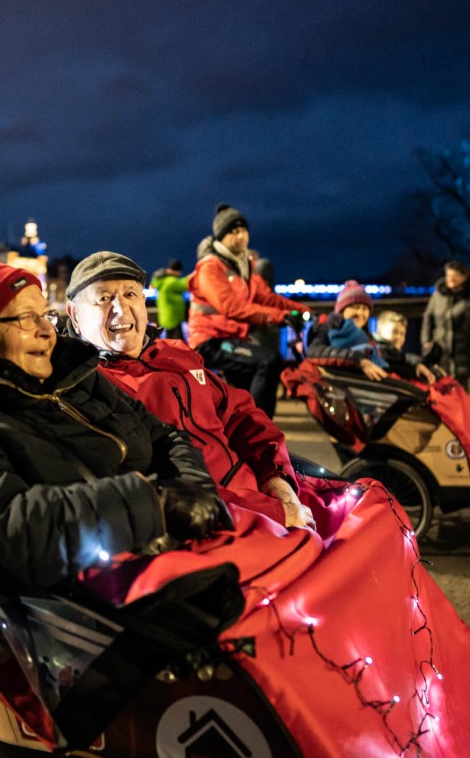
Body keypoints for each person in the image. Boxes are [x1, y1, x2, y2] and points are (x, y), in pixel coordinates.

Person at [0, 252, 231, 592]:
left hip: (178, 561)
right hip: (98, 610)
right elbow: (1, 533)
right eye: (28, 319)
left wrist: (195, 492)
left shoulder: (79, 379)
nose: (47, 331)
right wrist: (154, 505)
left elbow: (163, 437)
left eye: (46, 315)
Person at [64, 251, 316, 532]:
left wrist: (277, 479)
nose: (121, 309)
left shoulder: (175, 355)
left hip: (269, 497)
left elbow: (240, 414)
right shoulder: (87, 386)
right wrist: (270, 511)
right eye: (103, 298)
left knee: (369, 504)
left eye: (131, 294)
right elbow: (154, 484)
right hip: (216, 524)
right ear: (74, 315)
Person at [187, 203, 308, 417]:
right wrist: (279, 318)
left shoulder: (242, 266)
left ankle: (242, 428)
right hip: (210, 341)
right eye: (233, 231)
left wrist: (301, 310)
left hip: (232, 339)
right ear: (221, 237)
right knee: (269, 361)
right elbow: (231, 307)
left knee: (242, 393)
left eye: (243, 230)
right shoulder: (211, 267)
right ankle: (260, 426)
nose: (240, 236)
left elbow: (266, 297)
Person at [304, 281, 435, 382]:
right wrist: (359, 360)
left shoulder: (366, 337)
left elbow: (391, 354)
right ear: (342, 311)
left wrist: (418, 364)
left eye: (365, 309)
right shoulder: (328, 328)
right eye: (355, 307)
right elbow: (314, 352)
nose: (360, 313)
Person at [421, 260, 470, 389]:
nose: (450, 279)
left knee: (461, 384)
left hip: (464, 348)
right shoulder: (438, 296)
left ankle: (462, 408)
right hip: (440, 348)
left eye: (455, 276)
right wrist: (426, 341)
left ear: (464, 277)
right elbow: (427, 319)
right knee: (440, 382)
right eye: (448, 275)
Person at [150, 259, 190, 340]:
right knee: (176, 343)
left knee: (170, 341)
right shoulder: (171, 282)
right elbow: (187, 284)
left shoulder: (162, 280)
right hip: (173, 318)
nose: (180, 274)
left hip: (165, 316)